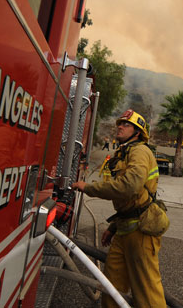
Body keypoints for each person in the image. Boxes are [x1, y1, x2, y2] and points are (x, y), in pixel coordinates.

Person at [71, 109, 166, 308]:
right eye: (120, 123)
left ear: (137, 132)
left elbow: (130, 186)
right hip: (124, 229)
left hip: (141, 231)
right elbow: (129, 200)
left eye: (126, 124)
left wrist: (88, 188)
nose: (120, 127)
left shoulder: (140, 151)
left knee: (146, 291)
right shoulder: (124, 152)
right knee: (111, 286)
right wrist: (113, 227)